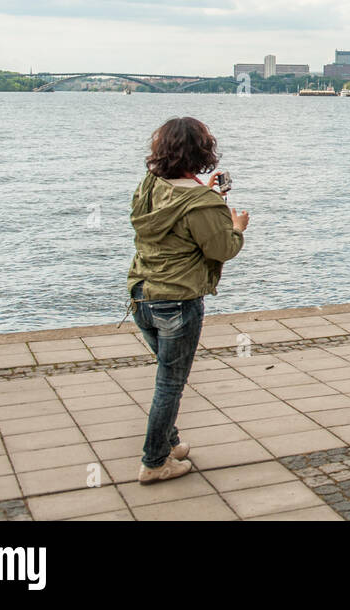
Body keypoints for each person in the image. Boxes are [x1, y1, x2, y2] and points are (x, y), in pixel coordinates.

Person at [126, 117, 249, 483]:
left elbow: (177, 205)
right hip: (177, 301)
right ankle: (155, 462)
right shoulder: (201, 203)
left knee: (167, 374)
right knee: (170, 383)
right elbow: (221, 248)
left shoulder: (150, 186)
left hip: (140, 295)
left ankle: (170, 441)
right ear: (202, 151)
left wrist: (206, 193)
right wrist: (236, 227)